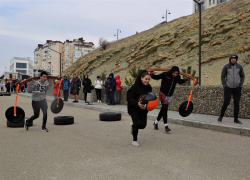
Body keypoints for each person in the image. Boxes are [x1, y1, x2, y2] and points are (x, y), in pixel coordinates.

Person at [150, 66, 190, 132]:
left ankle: (156, 122)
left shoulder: (177, 77)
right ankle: (166, 125)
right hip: (162, 93)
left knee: (163, 109)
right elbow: (155, 77)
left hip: (170, 95)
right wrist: (151, 74)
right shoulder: (165, 74)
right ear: (171, 72)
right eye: (174, 73)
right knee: (165, 108)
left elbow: (180, 81)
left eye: (177, 73)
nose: (175, 74)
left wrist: (186, 79)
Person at [127, 70, 152, 147]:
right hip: (134, 108)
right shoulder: (134, 87)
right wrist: (137, 103)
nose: (147, 81)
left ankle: (133, 126)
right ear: (141, 78)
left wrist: (151, 105)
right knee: (136, 123)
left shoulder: (149, 88)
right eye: (146, 79)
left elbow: (149, 98)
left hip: (143, 109)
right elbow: (129, 98)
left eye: (148, 79)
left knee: (143, 125)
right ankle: (135, 140)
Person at [218, 53, 245, 124]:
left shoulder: (239, 66)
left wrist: (240, 85)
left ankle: (236, 119)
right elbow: (222, 76)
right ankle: (221, 116)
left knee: (236, 103)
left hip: (237, 88)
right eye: (232, 58)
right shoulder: (226, 67)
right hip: (228, 88)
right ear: (230, 59)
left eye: (235, 58)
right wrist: (224, 85)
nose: (233, 59)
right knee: (226, 102)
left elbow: (242, 76)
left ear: (236, 59)